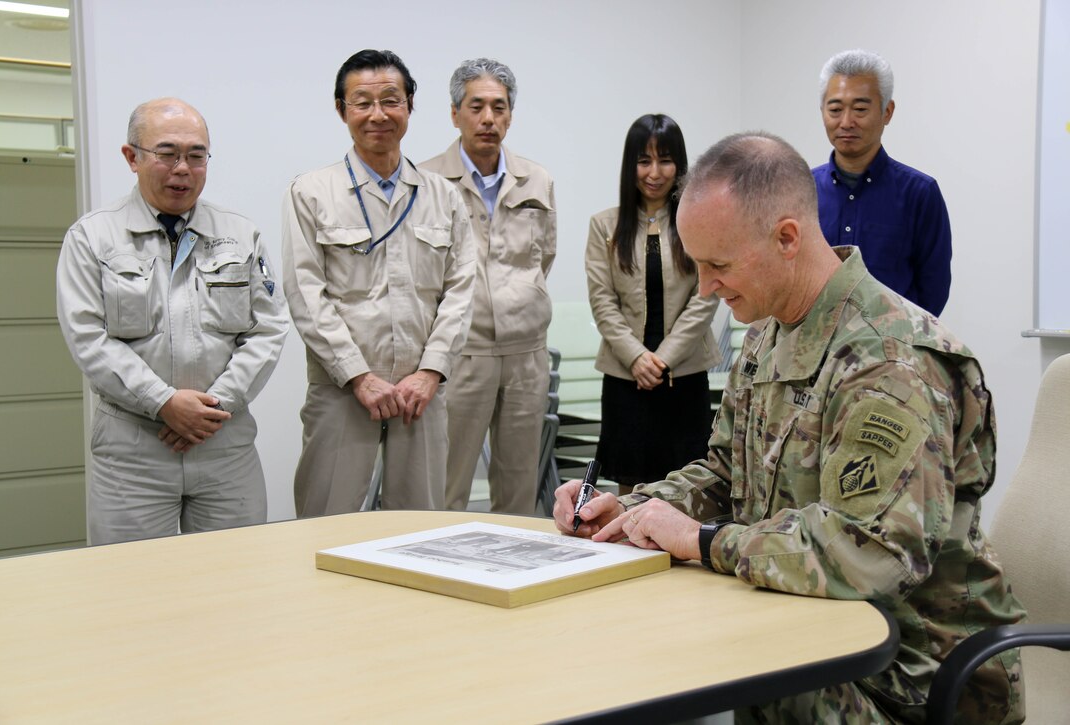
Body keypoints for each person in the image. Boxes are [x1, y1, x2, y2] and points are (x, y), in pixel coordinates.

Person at [556, 132, 1025, 723]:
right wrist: (630, 508)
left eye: (717, 265)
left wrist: (704, 542)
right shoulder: (766, 335)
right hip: (815, 627)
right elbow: (726, 472)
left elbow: (870, 554)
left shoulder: (891, 363)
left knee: (720, 670)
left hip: (907, 675)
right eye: (697, 266)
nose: (705, 289)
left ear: (786, 238)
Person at [56, 97, 289, 545]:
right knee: (134, 588)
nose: (183, 168)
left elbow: (267, 329)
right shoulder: (93, 236)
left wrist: (214, 407)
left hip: (224, 444)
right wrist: (163, 402)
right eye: (167, 153)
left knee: (234, 579)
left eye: (196, 155)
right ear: (132, 157)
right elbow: (87, 337)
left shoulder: (241, 234)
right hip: (135, 449)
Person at [282, 49, 475, 516]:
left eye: (391, 100)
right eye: (362, 102)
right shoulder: (311, 192)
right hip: (342, 389)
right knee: (325, 521)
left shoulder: (443, 196)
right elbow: (306, 294)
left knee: (421, 527)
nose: (378, 115)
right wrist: (358, 376)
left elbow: (460, 291)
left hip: (420, 394)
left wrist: (430, 372)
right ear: (341, 110)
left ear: (410, 104)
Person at [421, 58, 557, 514]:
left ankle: (512, 574)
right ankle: (439, 566)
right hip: (462, 351)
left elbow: (545, 257)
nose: (488, 119)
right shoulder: (427, 181)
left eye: (499, 108)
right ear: (455, 113)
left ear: (511, 116)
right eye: (476, 106)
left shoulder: (536, 180)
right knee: (448, 480)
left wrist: (520, 300)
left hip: (525, 352)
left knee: (518, 485)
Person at [585, 114, 719, 495]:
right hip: (627, 379)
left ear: (680, 164)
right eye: (644, 161)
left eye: (665, 160)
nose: (655, 172)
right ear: (631, 165)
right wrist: (637, 359)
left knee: (689, 484)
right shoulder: (604, 226)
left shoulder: (699, 222)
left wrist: (663, 359)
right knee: (629, 486)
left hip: (685, 376)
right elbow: (602, 301)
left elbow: (706, 295)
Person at [814, 48, 952, 316]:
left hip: (893, 350)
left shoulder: (920, 193)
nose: (846, 122)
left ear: (887, 112)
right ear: (823, 112)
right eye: (835, 109)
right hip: (814, 351)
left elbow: (933, 290)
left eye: (860, 109)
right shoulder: (801, 190)